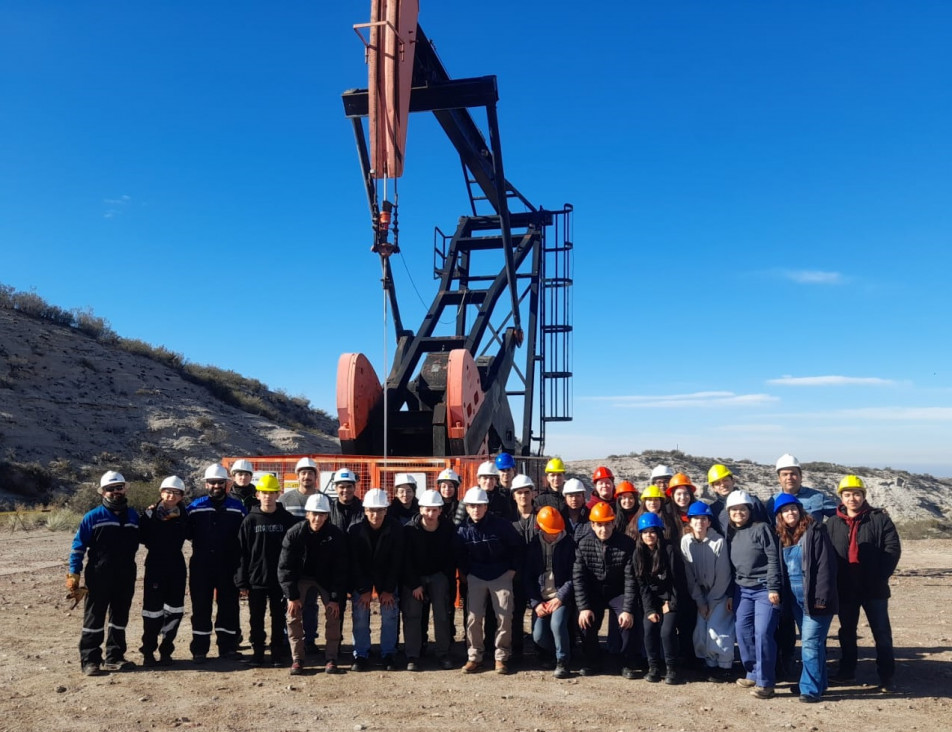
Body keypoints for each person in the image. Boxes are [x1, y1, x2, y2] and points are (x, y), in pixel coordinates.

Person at [826, 475, 901, 692]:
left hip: (873, 589)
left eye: (856, 494)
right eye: (847, 495)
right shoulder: (832, 523)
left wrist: (879, 577)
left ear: (863, 496)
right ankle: (847, 671)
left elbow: (892, 550)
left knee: (882, 633)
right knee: (847, 632)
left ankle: (887, 676)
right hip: (846, 588)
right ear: (841, 497)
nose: (852, 499)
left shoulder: (879, 519)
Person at [766, 454, 837, 680]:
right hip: (788, 573)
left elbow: (839, 516)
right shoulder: (772, 501)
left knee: (814, 631)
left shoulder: (817, 497)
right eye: (785, 474)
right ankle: (787, 666)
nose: (790, 477)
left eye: (793, 473)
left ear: (800, 475)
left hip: (812, 570)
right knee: (786, 626)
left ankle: (816, 676)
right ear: (779, 478)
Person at [67, 470, 140, 676]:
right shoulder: (93, 517)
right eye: (110, 489)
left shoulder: (134, 516)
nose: (115, 492)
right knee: (94, 617)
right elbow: (78, 547)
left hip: (126, 573)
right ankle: (90, 660)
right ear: (103, 492)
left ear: (125, 489)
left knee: (119, 616)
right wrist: (74, 573)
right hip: (99, 574)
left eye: (119, 488)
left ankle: (115, 657)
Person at [773, 493, 839, 703]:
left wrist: (821, 598)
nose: (790, 513)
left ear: (800, 510)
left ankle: (809, 689)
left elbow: (825, 567)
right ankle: (819, 683)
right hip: (795, 599)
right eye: (785, 511)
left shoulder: (815, 531)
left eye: (793, 509)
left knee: (809, 643)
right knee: (815, 643)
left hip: (815, 597)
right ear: (780, 516)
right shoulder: (782, 537)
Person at [456, 486, 524, 674]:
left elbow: (517, 548)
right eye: (472, 506)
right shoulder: (462, 530)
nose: (476, 510)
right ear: (467, 508)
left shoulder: (501, 525)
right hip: (476, 575)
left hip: (501, 574)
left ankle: (501, 657)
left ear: (486, 507)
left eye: (480, 506)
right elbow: (459, 554)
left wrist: (511, 570)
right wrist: (466, 572)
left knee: (504, 617)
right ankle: (474, 657)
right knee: (474, 617)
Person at [278, 493, 348, 676]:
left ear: (327, 516)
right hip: (301, 577)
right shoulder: (294, 533)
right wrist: (291, 596)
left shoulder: (336, 535)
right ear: (307, 514)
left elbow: (340, 569)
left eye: (322, 515)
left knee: (334, 613)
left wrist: (334, 598)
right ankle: (297, 658)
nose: (318, 519)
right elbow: (285, 567)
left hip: (326, 579)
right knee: (292, 614)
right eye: (314, 514)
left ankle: (331, 657)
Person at [186, 463, 247, 663]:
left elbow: (246, 537)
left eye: (220, 482)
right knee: (201, 606)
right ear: (206, 484)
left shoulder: (238, 508)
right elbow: (178, 525)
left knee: (229, 606)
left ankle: (227, 647)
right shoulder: (195, 507)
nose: (216, 486)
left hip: (228, 565)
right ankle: (200, 650)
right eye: (212, 483)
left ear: (227, 484)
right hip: (201, 566)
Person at [235, 473, 298, 667]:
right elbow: (242, 552)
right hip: (256, 579)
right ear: (258, 495)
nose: (268, 496)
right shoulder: (250, 520)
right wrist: (242, 581)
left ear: (278, 494)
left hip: (280, 580)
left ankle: (278, 653)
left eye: (271, 492)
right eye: (264, 492)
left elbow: (295, 552)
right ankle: (258, 653)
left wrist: (292, 578)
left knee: (279, 618)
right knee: (256, 618)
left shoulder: (288, 520)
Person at [573, 501, 639, 679]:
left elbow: (630, 579)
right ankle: (592, 660)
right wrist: (584, 607)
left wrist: (627, 609)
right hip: (594, 592)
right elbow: (579, 578)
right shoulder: (583, 544)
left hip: (618, 591)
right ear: (592, 525)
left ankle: (625, 662)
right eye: (599, 524)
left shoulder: (626, 544)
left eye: (607, 524)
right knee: (585, 622)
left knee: (627, 622)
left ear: (613, 523)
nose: (604, 529)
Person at [727, 490, 782, 699]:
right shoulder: (732, 533)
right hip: (742, 589)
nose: (738, 513)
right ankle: (753, 671)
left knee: (763, 633)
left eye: (742, 509)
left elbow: (773, 559)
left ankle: (766, 683)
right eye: (734, 510)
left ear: (749, 510)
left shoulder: (762, 529)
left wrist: (774, 588)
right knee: (742, 630)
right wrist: (732, 593)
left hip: (763, 589)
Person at [347, 488, 405, 671]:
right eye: (371, 510)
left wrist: (387, 589)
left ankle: (388, 653)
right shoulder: (355, 530)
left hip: (386, 575)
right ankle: (361, 654)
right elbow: (354, 563)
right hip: (363, 575)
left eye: (380, 510)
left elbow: (397, 561)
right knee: (361, 612)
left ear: (386, 510)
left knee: (389, 612)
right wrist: (364, 590)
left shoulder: (396, 529)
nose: (375, 514)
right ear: (365, 510)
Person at [402, 489, 457, 671]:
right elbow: (405, 560)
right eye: (427, 509)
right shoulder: (409, 530)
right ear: (420, 509)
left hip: (438, 575)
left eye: (434, 510)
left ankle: (443, 653)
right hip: (414, 577)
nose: (430, 514)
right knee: (412, 615)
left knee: (442, 614)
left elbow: (451, 557)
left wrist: (446, 582)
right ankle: (413, 655)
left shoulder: (448, 528)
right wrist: (414, 584)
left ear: (440, 510)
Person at [680, 501, 734, 682]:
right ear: (690, 522)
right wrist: (700, 601)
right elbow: (689, 575)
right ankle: (710, 664)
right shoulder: (686, 542)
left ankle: (725, 665)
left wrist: (711, 601)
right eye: (695, 519)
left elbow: (724, 574)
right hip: (700, 595)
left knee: (718, 629)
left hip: (718, 593)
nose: (699, 523)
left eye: (703, 519)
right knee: (702, 630)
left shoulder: (718, 541)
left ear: (709, 522)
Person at [138, 475, 188, 667]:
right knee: (152, 611)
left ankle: (166, 650)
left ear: (181, 496)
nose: (171, 496)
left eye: (176, 493)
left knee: (175, 609)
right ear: (161, 493)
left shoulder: (185, 515)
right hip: (155, 565)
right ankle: (148, 651)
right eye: (168, 491)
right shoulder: (149, 515)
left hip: (176, 564)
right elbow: (141, 536)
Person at [635, 512, 687, 684]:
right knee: (649, 628)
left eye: (652, 531)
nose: (649, 535)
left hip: (671, 599)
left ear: (658, 532)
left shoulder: (670, 550)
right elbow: (642, 585)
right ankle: (654, 667)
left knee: (666, 631)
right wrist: (650, 610)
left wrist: (671, 604)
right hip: (653, 601)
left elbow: (678, 581)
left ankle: (672, 668)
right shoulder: (639, 554)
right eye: (645, 532)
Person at [525, 506, 575, 678]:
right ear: (540, 528)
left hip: (560, 597)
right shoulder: (533, 546)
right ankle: (553, 653)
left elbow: (573, 576)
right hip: (541, 598)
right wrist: (536, 603)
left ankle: (563, 661)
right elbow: (528, 577)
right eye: (550, 531)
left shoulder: (569, 544)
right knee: (538, 636)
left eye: (557, 531)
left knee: (557, 624)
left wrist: (561, 597)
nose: (554, 534)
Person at [509, 474, 537, 662]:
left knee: (539, 613)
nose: (523, 496)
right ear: (514, 496)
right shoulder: (508, 520)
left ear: (532, 493)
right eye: (519, 493)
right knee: (516, 613)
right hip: (517, 575)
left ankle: (541, 649)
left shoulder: (542, 516)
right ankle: (516, 651)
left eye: (527, 492)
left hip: (538, 573)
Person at [706, 464, 769, 536]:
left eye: (725, 480)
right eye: (717, 483)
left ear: (733, 481)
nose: (722, 485)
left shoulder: (752, 501)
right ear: (713, 488)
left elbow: (765, 529)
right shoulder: (713, 510)